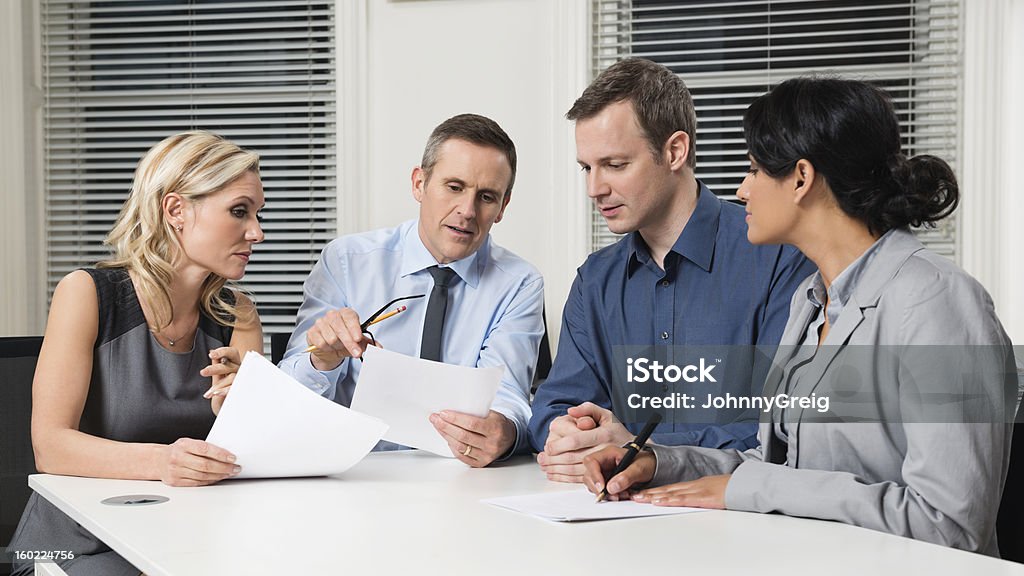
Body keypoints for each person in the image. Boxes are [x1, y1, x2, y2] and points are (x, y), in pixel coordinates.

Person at [581, 77, 1015, 556]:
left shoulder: (938, 303)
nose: (742, 191)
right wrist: (661, 462)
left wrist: (750, 490)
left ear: (802, 179)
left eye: (754, 171)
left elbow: (950, 523)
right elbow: (774, 464)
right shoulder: (810, 302)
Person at [528, 57, 814, 482]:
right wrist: (570, 436)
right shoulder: (595, 281)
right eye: (587, 168)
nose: (595, 188)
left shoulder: (779, 258)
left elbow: (783, 428)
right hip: (614, 522)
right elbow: (555, 405)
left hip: (742, 522)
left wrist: (645, 451)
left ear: (675, 151)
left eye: (615, 165)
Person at [7, 131, 266, 575]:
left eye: (258, 214)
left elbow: (250, 458)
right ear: (176, 210)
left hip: (184, 542)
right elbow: (50, 447)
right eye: (239, 211)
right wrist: (163, 461)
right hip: (73, 547)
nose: (257, 232)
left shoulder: (237, 314)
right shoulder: (87, 293)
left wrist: (237, 413)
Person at [278, 113, 544, 467]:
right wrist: (321, 360)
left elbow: (507, 395)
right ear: (419, 184)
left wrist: (505, 430)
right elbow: (285, 399)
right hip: (354, 472)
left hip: (462, 476)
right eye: (454, 187)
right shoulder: (347, 261)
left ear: (502, 207)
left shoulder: (519, 283)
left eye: (486, 196)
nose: (467, 210)